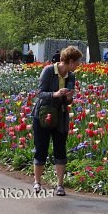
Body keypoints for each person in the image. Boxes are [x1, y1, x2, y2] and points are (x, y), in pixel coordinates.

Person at [31, 45, 82, 196]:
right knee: (41, 149)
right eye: (78, 62)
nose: (79, 65)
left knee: (60, 149)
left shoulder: (71, 76)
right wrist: (55, 94)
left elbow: (68, 102)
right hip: (43, 115)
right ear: (70, 61)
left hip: (60, 117)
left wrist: (69, 98)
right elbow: (39, 94)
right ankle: (37, 182)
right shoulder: (48, 71)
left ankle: (60, 185)